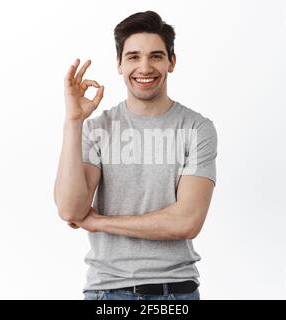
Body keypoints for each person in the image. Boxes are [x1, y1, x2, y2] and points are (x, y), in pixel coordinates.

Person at [54, 10, 218, 300]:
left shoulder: (196, 128)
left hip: (176, 293)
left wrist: (100, 222)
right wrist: (73, 122)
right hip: (107, 293)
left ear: (172, 62)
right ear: (119, 64)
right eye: (133, 57)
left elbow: (187, 221)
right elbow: (70, 209)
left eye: (156, 56)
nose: (145, 67)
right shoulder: (98, 128)